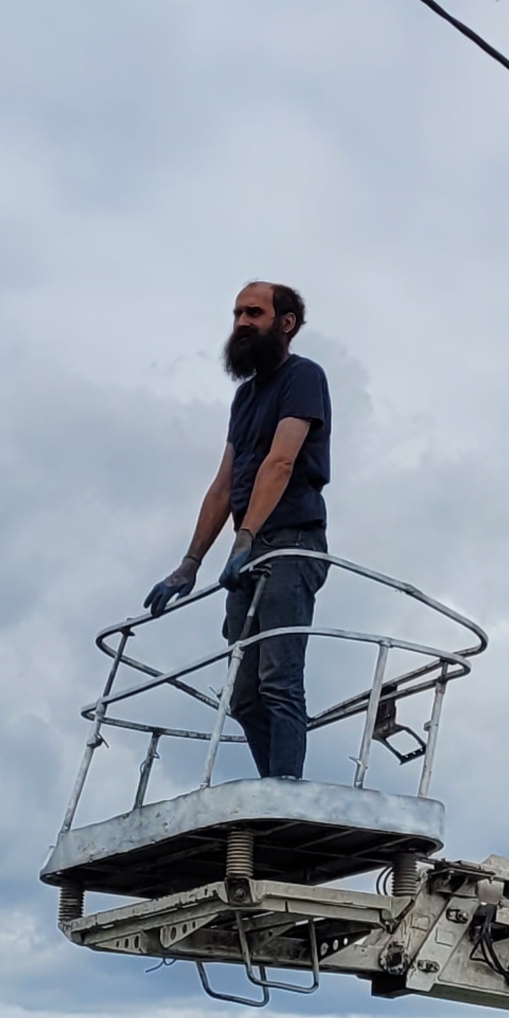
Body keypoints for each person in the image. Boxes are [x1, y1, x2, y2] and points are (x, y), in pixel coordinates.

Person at [147, 281, 332, 782]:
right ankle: (272, 786)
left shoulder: (304, 377)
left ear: (286, 323)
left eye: (254, 312)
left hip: (290, 544)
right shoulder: (245, 398)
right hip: (246, 556)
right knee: (244, 694)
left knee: (278, 681)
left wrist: (247, 537)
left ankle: (286, 793)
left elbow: (280, 462)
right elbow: (224, 484)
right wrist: (189, 564)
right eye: (236, 314)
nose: (242, 323)